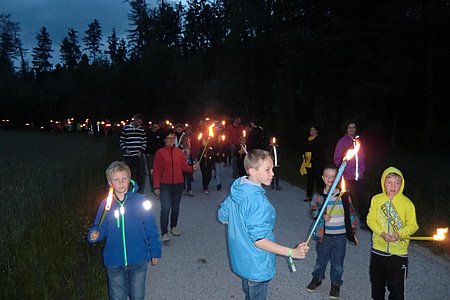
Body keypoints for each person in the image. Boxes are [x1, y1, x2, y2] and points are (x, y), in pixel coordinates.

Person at [218, 149, 309, 300]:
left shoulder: (239, 187)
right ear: (252, 171)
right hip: (256, 263)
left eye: (272, 168)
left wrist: (239, 224)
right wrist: (292, 252)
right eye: (267, 169)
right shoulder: (257, 201)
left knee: (249, 291)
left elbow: (222, 215)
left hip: (242, 257)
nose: (272, 173)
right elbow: (259, 241)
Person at [87, 161, 161, 300]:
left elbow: (151, 227)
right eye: (116, 179)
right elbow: (99, 227)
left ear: (130, 179)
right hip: (114, 261)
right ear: (110, 183)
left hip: (138, 259)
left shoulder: (140, 201)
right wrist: (94, 235)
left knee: (137, 295)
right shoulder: (106, 204)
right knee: (116, 296)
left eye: (124, 178)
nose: (121, 183)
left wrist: (155, 251)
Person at [306, 165, 359, 299]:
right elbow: (312, 212)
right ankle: (317, 278)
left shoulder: (344, 195)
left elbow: (351, 214)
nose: (330, 179)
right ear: (323, 178)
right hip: (324, 236)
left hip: (340, 236)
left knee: (338, 262)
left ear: (338, 178)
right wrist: (321, 215)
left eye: (333, 176)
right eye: (327, 176)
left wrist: (352, 233)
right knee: (321, 259)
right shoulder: (318, 195)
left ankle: (336, 283)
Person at [367, 167, 419, 300]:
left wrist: (400, 234)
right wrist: (382, 233)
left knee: (397, 289)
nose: (393, 186)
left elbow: (413, 225)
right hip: (378, 250)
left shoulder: (407, 204)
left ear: (402, 184)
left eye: (397, 182)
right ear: (383, 183)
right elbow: (370, 219)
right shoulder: (377, 200)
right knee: (377, 286)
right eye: (389, 182)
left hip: (398, 253)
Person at [153, 130, 199, 242]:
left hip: (178, 184)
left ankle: (173, 226)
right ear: (164, 140)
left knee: (175, 207)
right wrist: (156, 187)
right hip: (165, 185)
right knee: (165, 208)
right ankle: (164, 232)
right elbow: (157, 171)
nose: (170, 140)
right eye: (168, 138)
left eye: (172, 138)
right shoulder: (160, 152)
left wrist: (192, 168)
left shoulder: (179, 152)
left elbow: (184, 167)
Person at [333, 121, 368, 227]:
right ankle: (346, 220)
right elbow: (337, 159)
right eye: (350, 127)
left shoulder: (359, 141)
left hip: (359, 176)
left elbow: (362, 157)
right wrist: (343, 168)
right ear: (346, 129)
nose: (352, 129)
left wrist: (362, 168)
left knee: (362, 198)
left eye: (354, 127)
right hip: (347, 176)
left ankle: (364, 220)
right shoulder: (342, 142)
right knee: (345, 198)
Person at [119, 113, 147, 193]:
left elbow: (144, 142)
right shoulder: (126, 128)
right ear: (134, 120)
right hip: (128, 156)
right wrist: (125, 150)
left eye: (140, 122)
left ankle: (140, 190)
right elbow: (121, 141)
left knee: (140, 173)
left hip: (138, 155)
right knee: (128, 173)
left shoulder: (142, 130)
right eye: (138, 122)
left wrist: (141, 151)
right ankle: (128, 190)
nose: (139, 124)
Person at [301, 125, 325, 202]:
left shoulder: (319, 140)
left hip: (317, 163)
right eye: (311, 130)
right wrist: (304, 156)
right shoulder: (308, 140)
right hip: (308, 163)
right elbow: (303, 149)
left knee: (318, 180)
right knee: (309, 180)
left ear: (317, 131)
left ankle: (321, 196)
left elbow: (320, 152)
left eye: (314, 130)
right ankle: (308, 195)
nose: (312, 132)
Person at [146, 121, 165, 193]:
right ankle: (152, 189)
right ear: (151, 126)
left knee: (159, 171)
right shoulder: (148, 133)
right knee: (151, 171)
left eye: (157, 127)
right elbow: (145, 143)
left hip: (159, 155)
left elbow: (163, 143)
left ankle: (159, 187)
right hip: (150, 154)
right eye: (154, 127)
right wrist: (146, 152)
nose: (155, 129)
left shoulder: (161, 133)